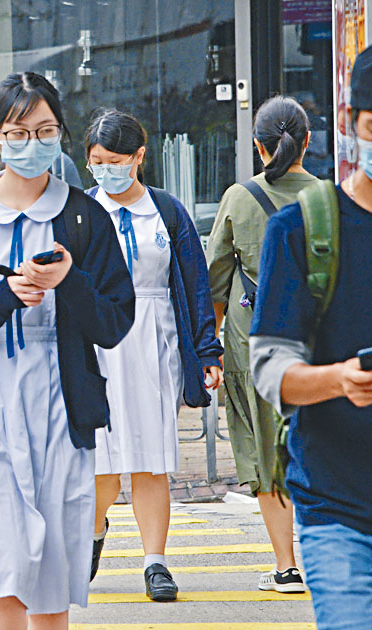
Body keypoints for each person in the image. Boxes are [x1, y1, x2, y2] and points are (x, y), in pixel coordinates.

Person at [0, 72, 136, 629]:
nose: (32, 144)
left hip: (60, 401)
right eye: (18, 132)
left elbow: (114, 322)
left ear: (61, 133)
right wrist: (1, 297)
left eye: (45, 131)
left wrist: (70, 281)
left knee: (50, 582)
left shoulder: (83, 216)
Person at [250, 45, 372, 630]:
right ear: (350, 122)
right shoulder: (300, 229)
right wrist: (339, 380)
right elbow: (271, 369)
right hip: (338, 507)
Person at [85, 109, 223, 602]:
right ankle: (93, 530)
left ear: (139, 156)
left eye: (115, 160)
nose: (106, 170)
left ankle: (155, 562)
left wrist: (206, 351)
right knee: (100, 463)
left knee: (150, 460)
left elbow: (195, 284)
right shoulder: (79, 211)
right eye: (97, 161)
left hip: (153, 342)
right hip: (97, 344)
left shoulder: (166, 212)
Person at [206, 96, 317, 593]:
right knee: (317, 446)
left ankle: (285, 566)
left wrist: (210, 347)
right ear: (307, 141)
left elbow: (215, 281)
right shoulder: (331, 198)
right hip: (319, 346)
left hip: (252, 345)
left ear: (258, 145)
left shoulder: (238, 197)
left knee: (264, 449)